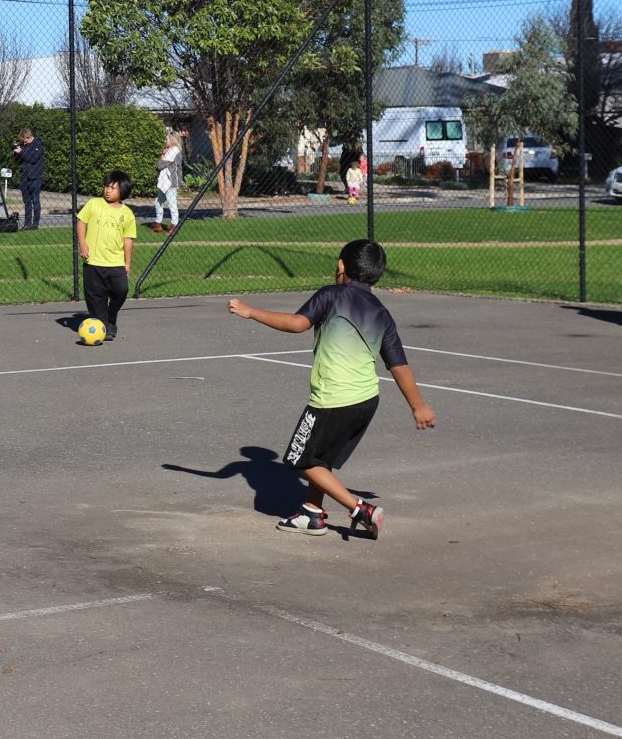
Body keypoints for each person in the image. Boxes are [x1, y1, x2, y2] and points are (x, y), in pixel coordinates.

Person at [227, 238, 437, 538]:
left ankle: (360, 509)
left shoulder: (332, 295)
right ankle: (311, 514)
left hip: (332, 399)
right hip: (366, 400)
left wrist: (251, 312)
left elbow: (297, 323)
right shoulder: (381, 312)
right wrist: (418, 405)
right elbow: (399, 365)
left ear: (341, 266)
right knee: (320, 459)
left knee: (300, 459)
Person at [76, 169, 138, 342]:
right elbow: (81, 223)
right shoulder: (93, 204)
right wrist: (83, 243)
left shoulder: (127, 214)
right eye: (106, 186)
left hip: (115, 262)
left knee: (121, 290)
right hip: (94, 261)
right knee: (95, 297)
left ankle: (112, 315)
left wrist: (127, 263)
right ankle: (104, 327)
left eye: (113, 188)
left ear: (123, 191)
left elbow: (128, 240)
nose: (108, 190)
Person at [11, 128, 45, 230]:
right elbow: (18, 161)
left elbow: (32, 158)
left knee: (35, 200)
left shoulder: (38, 144)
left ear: (28, 137)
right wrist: (15, 151)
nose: (23, 142)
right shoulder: (23, 146)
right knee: (27, 202)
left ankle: (35, 224)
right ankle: (27, 224)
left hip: (35, 177)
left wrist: (21, 151)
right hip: (24, 177)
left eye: (24, 139)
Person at [152, 131, 183, 231]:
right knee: (158, 202)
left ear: (172, 140)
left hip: (171, 181)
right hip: (164, 181)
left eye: (167, 139)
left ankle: (174, 225)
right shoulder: (169, 151)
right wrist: (163, 155)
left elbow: (160, 165)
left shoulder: (174, 151)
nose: (166, 141)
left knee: (171, 203)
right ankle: (158, 224)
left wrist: (162, 157)